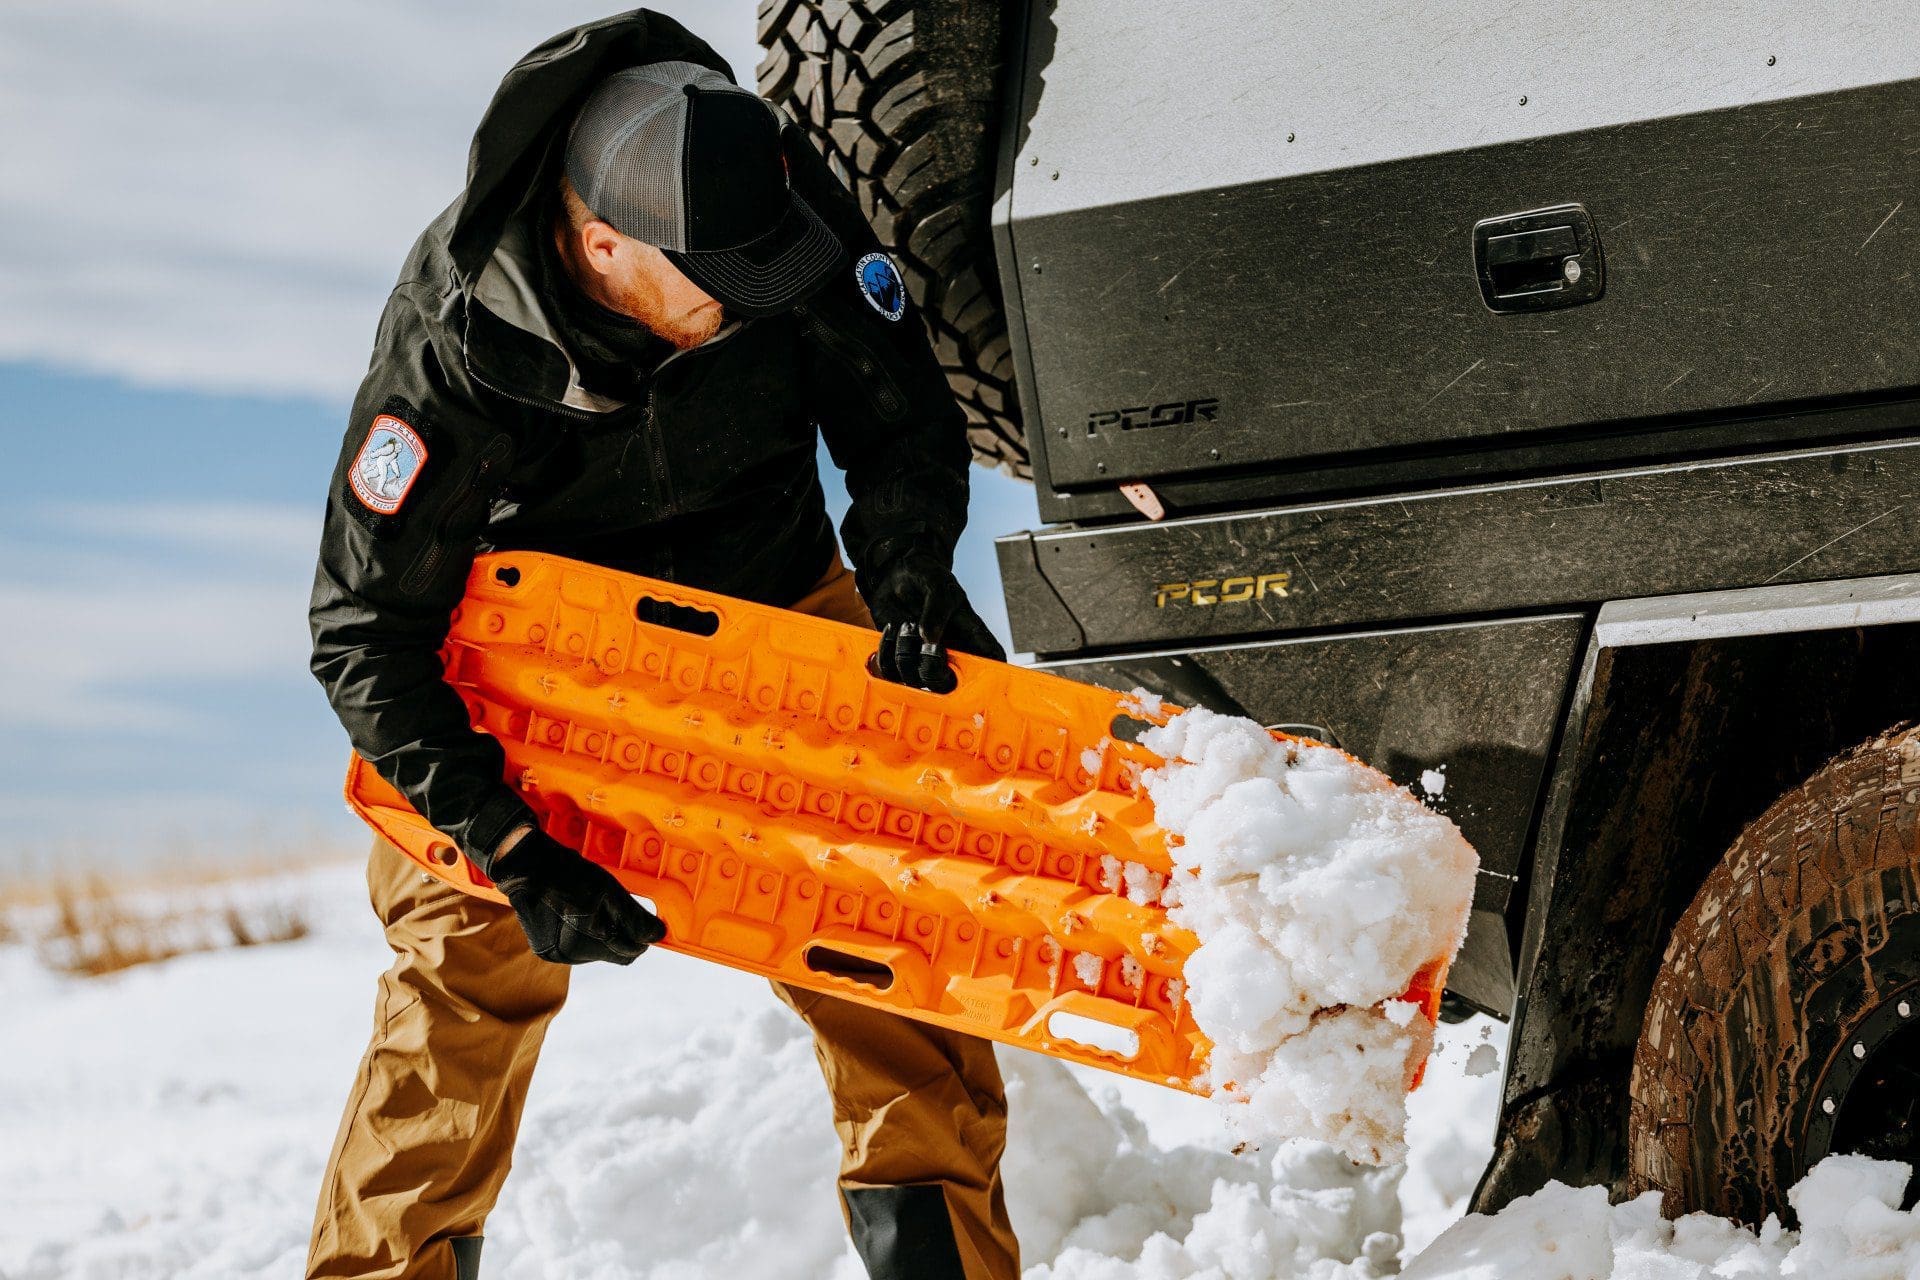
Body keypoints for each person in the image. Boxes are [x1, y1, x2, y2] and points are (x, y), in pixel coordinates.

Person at [305, 12, 1014, 1279]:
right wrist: (514, 851)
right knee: (461, 981)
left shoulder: (775, 214)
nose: (753, 307)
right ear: (599, 246)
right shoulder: (453, 351)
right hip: (534, 659)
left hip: (776, 606)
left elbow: (899, 415)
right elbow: (364, 629)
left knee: (892, 938)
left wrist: (906, 568)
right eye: (714, 288)